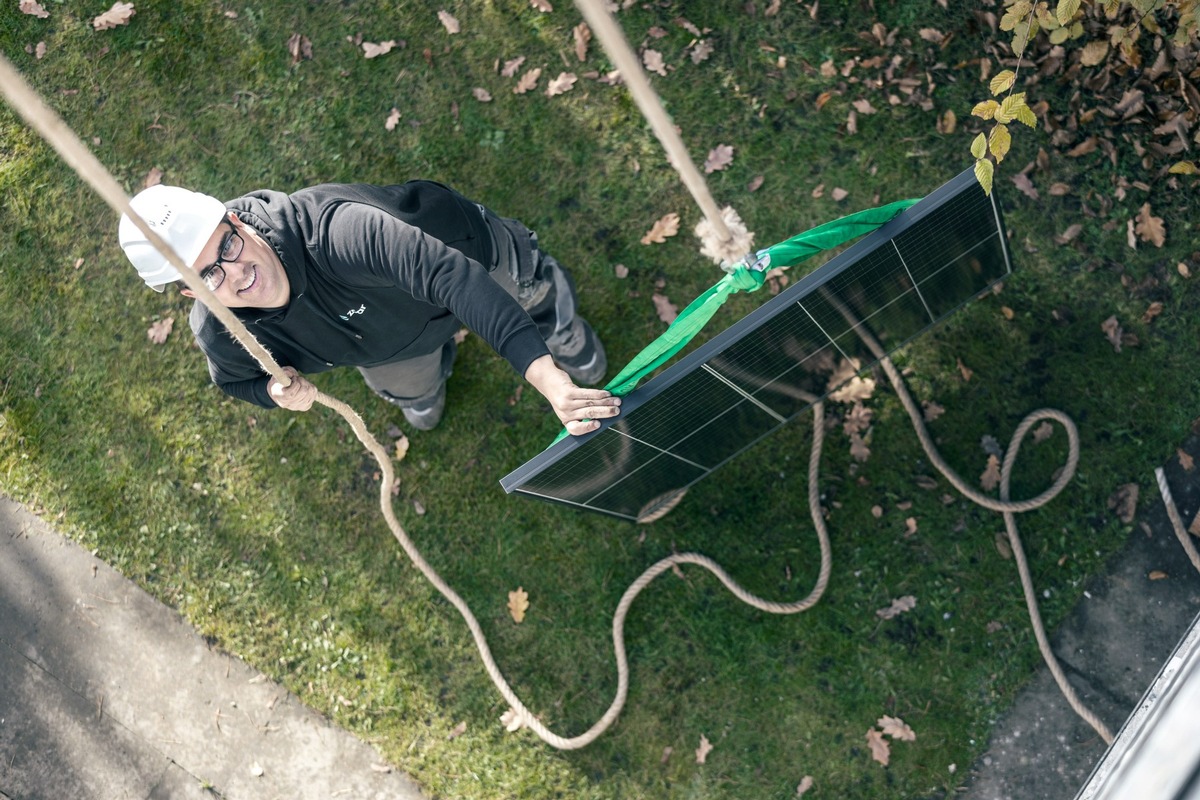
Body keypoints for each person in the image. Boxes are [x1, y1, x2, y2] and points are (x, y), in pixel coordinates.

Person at [118, 181, 621, 435]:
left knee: (529, 294)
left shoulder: (337, 232)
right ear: (192, 293)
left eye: (226, 246)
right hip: (389, 344)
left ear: (235, 220)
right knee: (410, 386)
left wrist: (544, 377)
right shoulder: (222, 331)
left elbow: (452, 278)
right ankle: (421, 389)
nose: (235, 271)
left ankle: (560, 335)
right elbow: (232, 382)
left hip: (470, 255)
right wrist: (272, 391)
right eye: (208, 274)